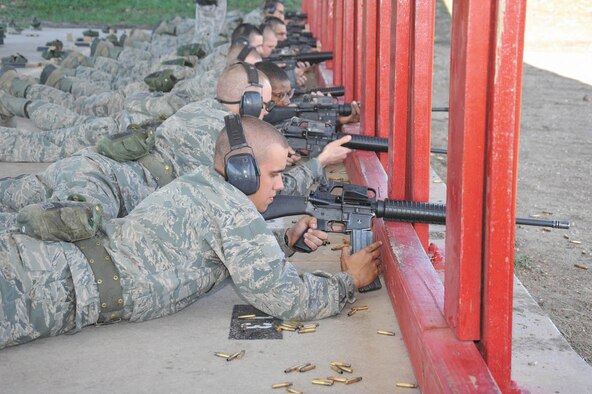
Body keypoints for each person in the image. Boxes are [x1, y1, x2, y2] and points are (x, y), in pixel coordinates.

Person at [0, 115, 382, 350]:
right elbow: (287, 299)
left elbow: (215, 253)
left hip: (48, 267)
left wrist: (284, 241)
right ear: (243, 172)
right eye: (275, 174)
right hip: (44, 284)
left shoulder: (204, 184)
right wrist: (348, 281)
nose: (282, 185)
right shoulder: (232, 209)